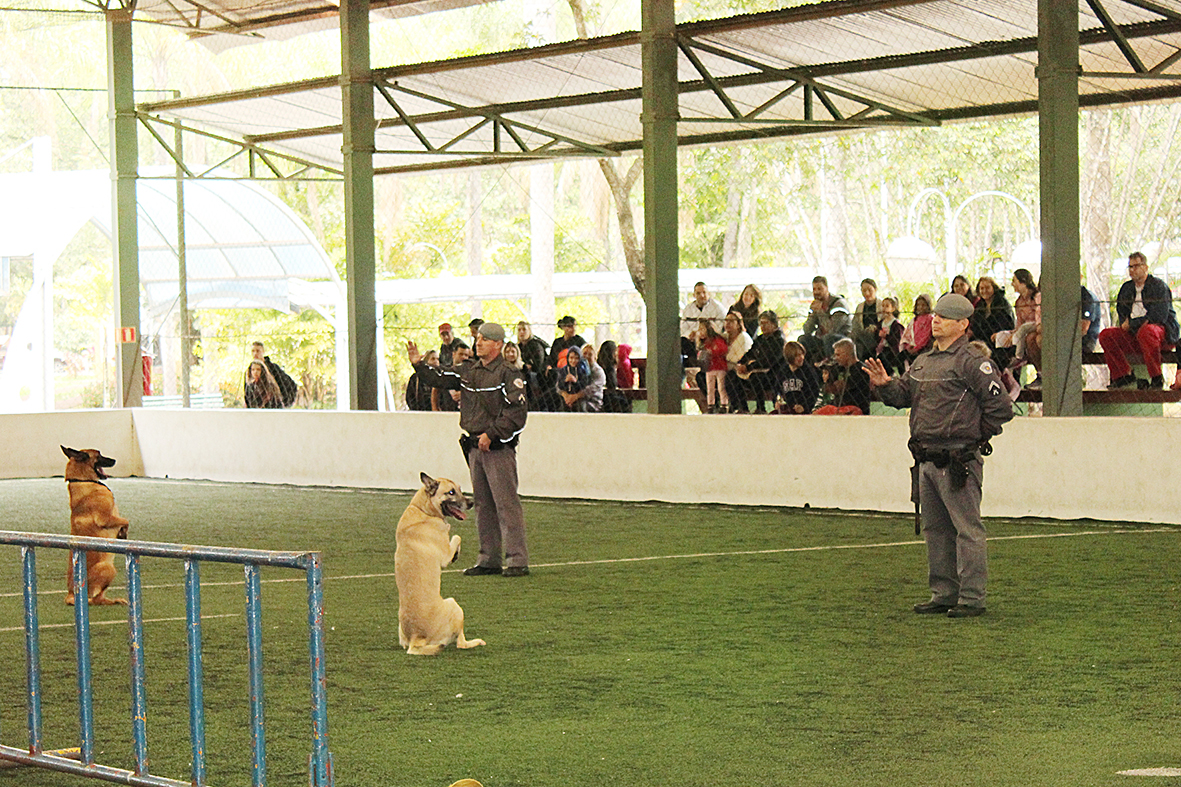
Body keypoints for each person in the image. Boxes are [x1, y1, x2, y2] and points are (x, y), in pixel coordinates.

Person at [864, 293, 1014, 618]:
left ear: (963, 324)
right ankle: (944, 593)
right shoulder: (922, 361)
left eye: (945, 317)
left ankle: (972, 598)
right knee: (935, 529)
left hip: (957, 459)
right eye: (936, 315)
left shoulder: (973, 362)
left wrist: (973, 437)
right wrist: (885, 385)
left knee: (966, 529)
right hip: (927, 459)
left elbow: (1001, 408)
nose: (936, 320)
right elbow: (903, 395)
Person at [406, 322, 530, 577]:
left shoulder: (508, 374)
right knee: (483, 504)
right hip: (474, 446)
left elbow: (517, 413)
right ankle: (489, 558)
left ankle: (517, 559)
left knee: (506, 504)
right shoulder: (468, 370)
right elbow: (438, 378)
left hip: (497, 447)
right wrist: (418, 364)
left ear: (498, 344)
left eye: (485, 339)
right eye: (479, 338)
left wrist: (492, 434)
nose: (479, 342)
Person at [1099, 251, 1179, 389]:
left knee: (1147, 332)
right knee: (1106, 335)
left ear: (1145, 267)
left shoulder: (1158, 286)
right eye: (1130, 267)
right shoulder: (1126, 288)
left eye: (1136, 266)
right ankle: (1123, 374)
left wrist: (1132, 324)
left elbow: (1158, 317)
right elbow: (1122, 311)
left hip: (1160, 335)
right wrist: (1127, 324)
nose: (1132, 270)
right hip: (1134, 334)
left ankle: (1156, 377)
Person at [735, 310, 787, 414]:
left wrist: (749, 367)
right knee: (732, 378)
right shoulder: (761, 339)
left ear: (773, 324)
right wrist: (741, 363)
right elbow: (751, 353)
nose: (762, 326)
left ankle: (760, 408)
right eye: (760, 323)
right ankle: (741, 408)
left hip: (773, 374)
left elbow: (769, 361)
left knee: (756, 377)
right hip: (757, 370)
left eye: (765, 323)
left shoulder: (779, 340)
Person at [798, 275, 852, 363]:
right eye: (814, 289)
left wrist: (820, 311)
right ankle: (808, 367)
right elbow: (807, 330)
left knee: (828, 338)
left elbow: (832, 329)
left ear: (826, 288)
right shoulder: (816, 305)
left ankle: (829, 364)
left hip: (841, 337)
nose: (816, 292)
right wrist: (813, 314)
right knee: (803, 339)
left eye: (819, 289)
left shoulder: (838, 304)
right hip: (822, 338)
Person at [813, 338, 871, 416]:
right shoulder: (839, 367)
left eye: (838, 354)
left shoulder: (861, 369)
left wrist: (833, 385)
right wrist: (826, 380)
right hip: (837, 408)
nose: (836, 358)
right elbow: (828, 389)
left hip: (855, 408)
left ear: (847, 354)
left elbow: (840, 387)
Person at [680, 282, 727, 368]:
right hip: (691, 341)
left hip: (710, 339)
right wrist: (691, 334)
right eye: (698, 293)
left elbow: (720, 327)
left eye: (704, 292)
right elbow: (683, 327)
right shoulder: (688, 309)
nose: (702, 295)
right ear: (694, 295)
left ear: (708, 294)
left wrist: (706, 333)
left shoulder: (717, 308)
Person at [968, 276, 1015, 358]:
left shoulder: (1002, 303)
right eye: (982, 288)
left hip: (999, 341)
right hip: (982, 340)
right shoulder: (980, 305)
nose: (984, 291)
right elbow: (975, 326)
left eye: (987, 288)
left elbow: (1006, 324)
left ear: (993, 288)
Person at [243, 341, 297, 407]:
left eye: (258, 351)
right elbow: (247, 392)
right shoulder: (249, 371)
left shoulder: (273, 368)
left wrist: (284, 402)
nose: (255, 354)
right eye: (253, 351)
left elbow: (288, 385)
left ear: (263, 351)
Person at [774, 340, 820, 414]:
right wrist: (776, 402)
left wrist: (805, 406)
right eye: (797, 355)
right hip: (788, 407)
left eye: (802, 354)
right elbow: (777, 390)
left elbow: (814, 392)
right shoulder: (783, 372)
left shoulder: (808, 371)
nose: (801, 358)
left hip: (804, 408)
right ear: (790, 357)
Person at [722, 311, 755, 412]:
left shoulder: (743, 338)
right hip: (723, 368)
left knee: (731, 377)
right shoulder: (724, 337)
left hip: (742, 370)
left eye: (731, 321)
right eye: (726, 321)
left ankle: (739, 408)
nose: (728, 323)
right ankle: (716, 405)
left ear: (738, 324)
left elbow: (740, 360)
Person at [696, 318, 730, 413]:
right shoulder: (704, 343)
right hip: (709, 368)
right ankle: (711, 404)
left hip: (720, 367)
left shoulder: (717, 340)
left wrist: (712, 352)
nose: (700, 333)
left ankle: (724, 404)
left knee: (721, 387)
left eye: (702, 329)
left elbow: (723, 349)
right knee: (710, 388)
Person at [515, 321, 550, 410]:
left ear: (529, 331)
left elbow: (538, 365)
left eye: (524, 329)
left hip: (538, 375)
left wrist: (525, 365)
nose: (522, 332)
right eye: (519, 330)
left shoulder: (535, 345)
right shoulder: (518, 346)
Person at [850, 278, 882, 363]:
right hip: (862, 336)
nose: (867, 293)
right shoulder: (860, 307)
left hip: (877, 336)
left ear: (875, 289)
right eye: (864, 291)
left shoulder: (881, 305)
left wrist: (875, 328)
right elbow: (855, 324)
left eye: (869, 290)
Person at [899, 293, 934, 368]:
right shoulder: (914, 320)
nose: (921, 307)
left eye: (923, 305)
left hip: (922, 349)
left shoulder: (929, 319)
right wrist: (908, 346)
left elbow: (925, 335)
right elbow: (908, 334)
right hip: (910, 347)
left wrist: (916, 347)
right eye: (919, 305)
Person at [874, 296, 905, 375]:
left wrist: (886, 336)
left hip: (892, 352)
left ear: (893, 308)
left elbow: (896, 340)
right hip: (881, 350)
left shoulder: (896, 325)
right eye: (883, 306)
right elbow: (875, 338)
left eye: (887, 306)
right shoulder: (880, 323)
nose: (884, 308)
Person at [557, 345, 590, 412]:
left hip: (579, 397)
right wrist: (565, 381)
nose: (573, 361)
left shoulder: (582, 370)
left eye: (576, 358)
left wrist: (575, 381)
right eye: (571, 358)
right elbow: (559, 385)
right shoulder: (564, 370)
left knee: (581, 407)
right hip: (566, 396)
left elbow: (584, 385)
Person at [580, 343, 607, 413]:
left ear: (595, 357)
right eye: (585, 353)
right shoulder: (577, 368)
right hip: (577, 398)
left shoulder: (598, 371)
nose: (587, 356)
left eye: (590, 354)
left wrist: (575, 396)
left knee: (581, 405)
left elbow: (592, 389)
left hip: (593, 401)